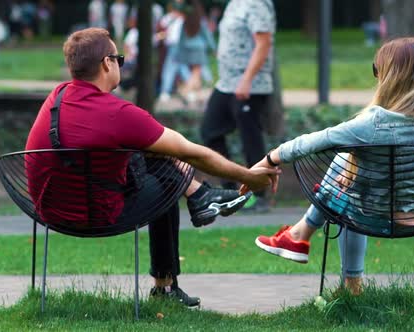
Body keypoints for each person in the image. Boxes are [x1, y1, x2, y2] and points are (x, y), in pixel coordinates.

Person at [25, 28, 279, 306]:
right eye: (118, 58)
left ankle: (199, 195)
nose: (121, 64)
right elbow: (193, 154)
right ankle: (165, 286)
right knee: (166, 182)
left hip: (50, 209)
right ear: (107, 63)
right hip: (95, 213)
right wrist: (249, 177)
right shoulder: (118, 114)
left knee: (149, 153)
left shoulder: (57, 97)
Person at [250, 37, 414, 295]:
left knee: (342, 180)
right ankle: (299, 236)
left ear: (390, 76)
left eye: (378, 70)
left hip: (376, 215)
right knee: (349, 166)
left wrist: (268, 160)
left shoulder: (372, 125)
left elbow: (310, 142)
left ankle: (331, 266)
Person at [200, 0, 276, 212]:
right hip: (226, 84)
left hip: (250, 84)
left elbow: (264, 43)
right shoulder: (235, 3)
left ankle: (260, 195)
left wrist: (247, 79)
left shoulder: (256, 5)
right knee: (210, 132)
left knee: (250, 138)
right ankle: (232, 192)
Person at [175, 0, 216, 105]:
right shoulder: (200, 21)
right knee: (196, 73)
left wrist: (179, 52)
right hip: (199, 49)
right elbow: (207, 36)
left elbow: (181, 38)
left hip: (187, 49)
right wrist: (214, 48)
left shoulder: (185, 21)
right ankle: (185, 91)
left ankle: (193, 95)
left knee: (194, 72)